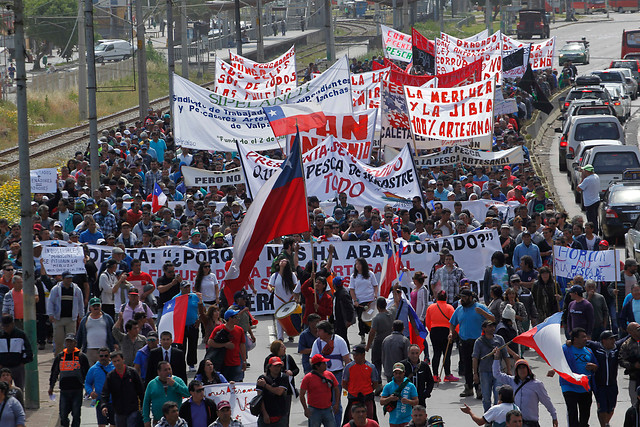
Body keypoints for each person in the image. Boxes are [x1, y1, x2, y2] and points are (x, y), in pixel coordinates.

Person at [491, 348, 558, 426]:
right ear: (516, 371)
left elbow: (547, 401)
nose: (522, 370)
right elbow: (496, 374)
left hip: (531, 423)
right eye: (519, 368)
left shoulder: (537, 384)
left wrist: (554, 416)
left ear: (528, 370)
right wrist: (496, 358)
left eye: (524, 367)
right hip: (516, 423)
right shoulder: (511, 381)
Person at [449, 288, 495, 398]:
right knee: (467, 365)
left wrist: (483, 313)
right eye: (461, 297)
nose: (462, 300)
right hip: (464, 341)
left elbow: (493, 319)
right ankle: (468, 387)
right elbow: (452, 323)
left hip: (479, 342)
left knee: (479, 366)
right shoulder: (459, 309)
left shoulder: (480, 307)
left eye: (464, 298)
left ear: (470, 298)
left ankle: (479, 388)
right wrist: (451, 332)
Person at [548, 327, 597, 427]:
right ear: (575, 339)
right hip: (569, 386)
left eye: (586, 336)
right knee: (572, 411)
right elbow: (558, 360)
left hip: (585, 386)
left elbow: (596, 366)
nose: (586, 339)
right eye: (583, 337)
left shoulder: (589, 351)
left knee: (585, 415)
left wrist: (594, 367)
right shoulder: (565, 349)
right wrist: (553, 370)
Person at [311, 320, 352, 427]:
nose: (317, 332)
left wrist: (347, 378)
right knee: (321, 402)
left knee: (336, 403)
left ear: (326, 332)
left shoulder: (339, 341)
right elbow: (312, 359)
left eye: (319, 330)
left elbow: (347, 360)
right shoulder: (317, 342)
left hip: (337, 375)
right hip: (321, 376)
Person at [48, 334, 91, 427]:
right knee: (63, 415)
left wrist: (88, 388)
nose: (69, 343)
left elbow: (88, 374)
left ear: (75, 343)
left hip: (77, 390)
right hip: (64, 390)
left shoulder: (81, 356)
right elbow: (54, 372)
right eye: (67, 341)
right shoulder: (60, 357)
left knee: (76, 414)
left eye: (71, 341)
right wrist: (51, 386)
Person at [473, 320, 512, 412]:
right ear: (484, 328)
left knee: (497, 395)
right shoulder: (479, 342)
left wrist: (509, 369)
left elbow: (506, 355)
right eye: (489, 326)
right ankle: (487, 416)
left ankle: (496, 416)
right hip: (484, 372)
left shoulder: (499, 339)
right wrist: (475, 373)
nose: (492, 328)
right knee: (486, 397)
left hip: (498, 372)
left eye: (493, 326)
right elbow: (475, 358)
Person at [100, 350, 145, 427]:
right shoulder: (111, 376)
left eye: (118, 360)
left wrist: (144, 406)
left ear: (123, 359)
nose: (117, 363)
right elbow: (105, 392)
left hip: (133, 409)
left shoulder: (132, 373)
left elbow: (141, 390)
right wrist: (104, 405)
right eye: (114, 361)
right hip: (118, 411)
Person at [47, 271, 85, 354]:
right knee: (58, 340)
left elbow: (80, 303)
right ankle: (58, 357)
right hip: (58, 319)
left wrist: (81, 315)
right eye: (67, 278)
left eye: (70, 278)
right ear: (63, 279)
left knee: (71, 341)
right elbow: (50, 302)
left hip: (71, 319)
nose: (69, 280)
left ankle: (71, 357)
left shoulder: (76, 289)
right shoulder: (56, 289)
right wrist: (50, 314)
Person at [143, 361, 190, 426]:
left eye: (169, 369)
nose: (168, 372)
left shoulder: (178, 381)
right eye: (165, 370)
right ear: (159, 372)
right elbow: (146, 402)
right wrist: (146, 420)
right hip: (158, 422)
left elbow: (187, 393)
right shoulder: (152, 384)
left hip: (176, 423)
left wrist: (175, 385)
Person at [264, 339, 300, 423]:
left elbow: (296, 369)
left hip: (287, 390)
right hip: (273, 390)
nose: (285, 348)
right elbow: (266, 373)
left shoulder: (288, 358)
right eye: (282, 347)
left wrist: (292, 372)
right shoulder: (269, 359)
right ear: (277, 349)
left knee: (285, 412)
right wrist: (280, 368)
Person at [300, 353, 340, 427]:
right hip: (314, 410)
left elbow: (337, 388)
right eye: (323, 363)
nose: (325, 364)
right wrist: (306, 409)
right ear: (317, 366)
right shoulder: (308, 377)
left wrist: (337, 403)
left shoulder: (329, 374)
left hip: (328, 409)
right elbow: (301, 394)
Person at [425, 291, 456, 383]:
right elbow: (453, 322)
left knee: (436, 353)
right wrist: (454, 333)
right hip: (446, 331)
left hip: (434, 331)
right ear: (446, 298)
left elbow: (427, 322)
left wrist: (431, 330)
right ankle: (447, 375)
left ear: (436, 298)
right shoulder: (450, 308)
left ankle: (435, 375)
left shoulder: (431, 307)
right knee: (446, 354)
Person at [342, 345, 380, 424]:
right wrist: (352, 390)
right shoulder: (349, 367)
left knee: (371, 419)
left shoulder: (371, 367)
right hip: (353, 398)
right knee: (349, 420)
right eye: (353, 355)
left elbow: (375, 383)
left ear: (363, 355)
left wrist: (367, 390)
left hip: (367, 398)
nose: (354, 357)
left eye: (356, 355)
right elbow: (344, 383)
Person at [208, 308, 247, 382]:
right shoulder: (219, 329)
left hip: (236, 362)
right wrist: (224, 345)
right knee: (225, 384)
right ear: (230, 318)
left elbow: (242, 346)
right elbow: (210, 342)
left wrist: (244, 361)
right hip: (222, 363)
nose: (238, 319)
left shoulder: (240, 330)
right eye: (235, 317)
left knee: (238, 383)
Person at [76, 297, 116, 364]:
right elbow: (80, 334)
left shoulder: (107, 318)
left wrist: (115, 344)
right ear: (90, 307)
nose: (96, 307)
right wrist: (77, 348)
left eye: (98, 305)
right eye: (94, 306)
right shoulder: (85, 320)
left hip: (105, 350)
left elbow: (113, 332)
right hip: (89, 350)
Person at [268, 258, 300, 341]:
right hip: (278, 299)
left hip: (290, 298)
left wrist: (296, 296)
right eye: (281, 261)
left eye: (284, 261)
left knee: (290, 317)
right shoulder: (275, 275)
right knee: (279, 317)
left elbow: (296, 285)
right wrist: (270, 289)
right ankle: (280, 337)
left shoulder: (292, 275)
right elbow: (269, 285)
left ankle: (290, 333)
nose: (282, 261)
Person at [349, 257, 379, 344]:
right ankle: (362, 337)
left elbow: (375, 286)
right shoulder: (353, 277)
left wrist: (375, 294)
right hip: (360, 302)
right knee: (361, 320)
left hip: (370, 301)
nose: (357, 266)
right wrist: (355, 300)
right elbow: (351, 290)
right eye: (356, 264)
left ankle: (372, 336)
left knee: (371, 319)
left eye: (359, 264)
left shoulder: (370, 274)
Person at [380, 362, 419, 427]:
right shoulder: (388, 386)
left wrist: (408, 401)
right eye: (396, 373)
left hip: (407, 420)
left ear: (404, 372)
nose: (398, 375)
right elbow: (381, 402)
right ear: (393, 374)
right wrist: (390, 398)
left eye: (400, 373)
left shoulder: (410, 386)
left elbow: (416, 401)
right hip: (394, 420)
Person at [84, 347, 115, 427]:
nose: (103, 358)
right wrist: (90, 392)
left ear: (109, 356)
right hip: (100, 401)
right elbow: (87, 383)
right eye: (101, 356)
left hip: (114, 401)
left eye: (106, 356)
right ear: (98, 356)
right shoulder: (93, 369)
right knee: (101, 424)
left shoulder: (114, 367)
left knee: (114, 424)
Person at [0, 314, 32, 390]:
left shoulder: (21, 335)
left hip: (18, 367)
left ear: (12, 324)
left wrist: (22, 362)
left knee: (19, 390)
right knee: (4, 390)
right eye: (3, 326)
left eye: (7, 326)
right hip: (3, 368)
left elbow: (28, 351)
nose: (5, 328)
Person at [256, 356, 290, 427]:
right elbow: (260, 398)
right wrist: (265, 414)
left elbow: (279, 392)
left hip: (281, 415)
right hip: (265, 415)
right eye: (275, 366)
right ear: (269, 367)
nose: (277, 368)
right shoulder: (262, 378)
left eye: (279, 366)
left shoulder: (283, 377)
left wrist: (265, 385)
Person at [366, 297, 393, 382]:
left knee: (376, 363)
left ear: (377, 307)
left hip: (378, 343)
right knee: (388, 363)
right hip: (389, 342)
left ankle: (378, 382)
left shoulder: (376, 318)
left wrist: (368, 345)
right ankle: (390, 382)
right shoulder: (391, 315)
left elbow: (372, 332)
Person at [333, 276, 356, 349]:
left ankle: (347, 354)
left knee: (343, 338)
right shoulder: (337, 293)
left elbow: (350, 308)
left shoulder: (343, 294)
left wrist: (349, 320)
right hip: (336, 320)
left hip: (342, 320)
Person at [577, 164, 601, 230]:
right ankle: (595, 230)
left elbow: (578, 188)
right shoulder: (596, 176)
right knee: (595, 219)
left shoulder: (587, 180)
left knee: (591, 220)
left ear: (587, 171)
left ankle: (593, 232)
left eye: (584, 171)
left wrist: (582, 178)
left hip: (590, 203)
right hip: (596, 200)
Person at [621, 322, 640, 403]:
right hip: (634, 378)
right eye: (637, 329)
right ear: (631, 332)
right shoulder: (626, 344)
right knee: (635, 403)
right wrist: (633, 365)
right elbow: (621, 360)